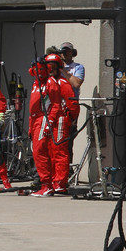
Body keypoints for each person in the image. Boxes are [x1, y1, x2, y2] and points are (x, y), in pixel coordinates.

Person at [43, 53, 79, 194]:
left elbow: (73, 103)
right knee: (50, 151)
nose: (50, 69)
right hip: (50, 120)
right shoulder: (47, 82)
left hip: (61, 120)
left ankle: (60, 182)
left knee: (60, 152)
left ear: (59, 67)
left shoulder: (63, 83)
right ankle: (53, 180)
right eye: (48, 67)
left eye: (52, 66)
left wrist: (69, 118)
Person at [28, 59, 51, 195]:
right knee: (36, 151)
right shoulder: (35, 83)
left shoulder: (49, 82)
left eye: (40, 69)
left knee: (40, 151)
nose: (37, 72)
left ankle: (47, 185)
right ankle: (45, 183)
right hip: (34, 119)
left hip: (43, 117)